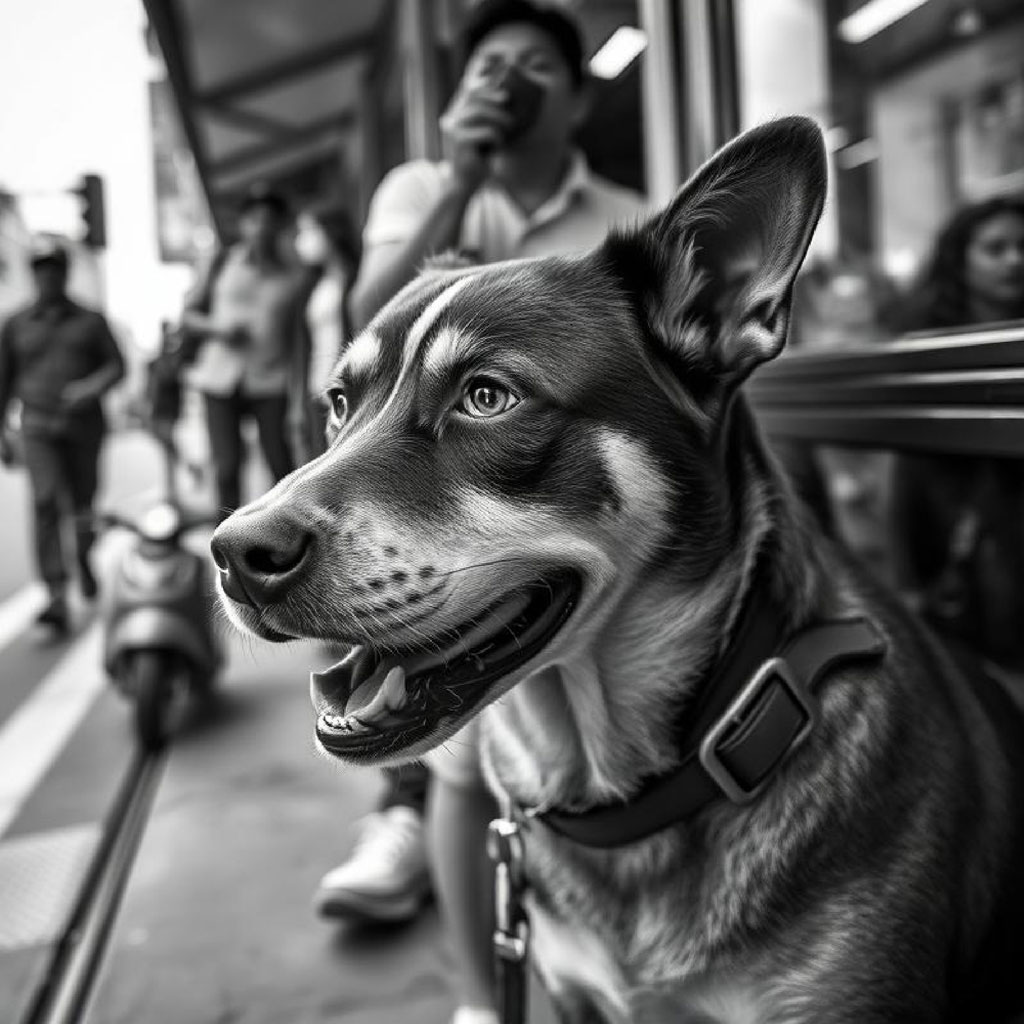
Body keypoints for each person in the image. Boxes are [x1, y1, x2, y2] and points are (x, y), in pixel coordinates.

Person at [313, 4, 646, 1021]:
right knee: (461, 754)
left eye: (535, 65)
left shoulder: (627, 214)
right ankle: (478, 997)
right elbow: (362, 327)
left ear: (580, 94)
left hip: (551, 517)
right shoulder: (422, 187)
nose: (509, 79)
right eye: (491, 63)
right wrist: (459, 174)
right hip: (443, 500)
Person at [889, 196, 1024, 670]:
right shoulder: (928, 341)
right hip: (957, 532)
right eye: (996, 248)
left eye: (1022, 247)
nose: (1014, 260)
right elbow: (909, 471)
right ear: (961, 258)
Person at [0, 238, 125, 634]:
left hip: (84, 428)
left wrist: (91, 387)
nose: (48, 274)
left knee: (83, 504)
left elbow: (117, 367)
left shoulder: (91, 320)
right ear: (33, 273)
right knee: (46, 500)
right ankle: (55, 592)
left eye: (54, 266)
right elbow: (2, 383)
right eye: (40, 267)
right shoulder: (15, 324)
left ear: (65, 272)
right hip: (37, 427)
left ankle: (83, 557)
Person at [179, 185, 321, 521]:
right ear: (243, 224)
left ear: (280, 226)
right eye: (254, 219)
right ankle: (226, 541)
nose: (261, 227)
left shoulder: (295, 276)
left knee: (279, 464)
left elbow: (302, 338)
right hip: (219, 379)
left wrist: (299, 395)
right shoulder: (221, 262)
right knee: (227, 468)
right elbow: (187, 317)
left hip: (270, 381)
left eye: (269, 220)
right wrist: (218, 328)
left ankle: (280, 535)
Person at [293, 206, 359, 460]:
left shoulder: (356, 279)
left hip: (347, 391)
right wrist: (297, 400)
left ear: (331, 232)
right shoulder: (309, 286)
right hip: (316, 388)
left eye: (310, 230)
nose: (303, 240)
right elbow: (302, 347)